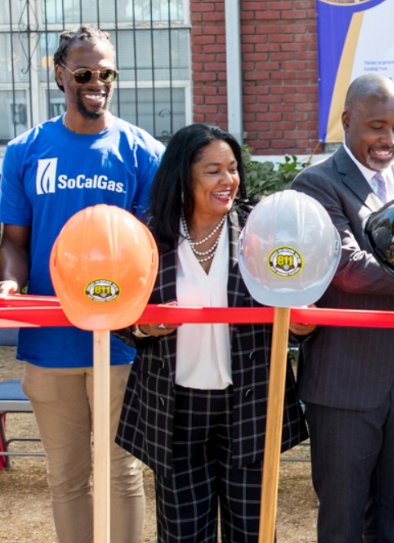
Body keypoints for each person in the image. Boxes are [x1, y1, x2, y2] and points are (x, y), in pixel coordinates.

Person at [0, 26, 163, 543]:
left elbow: (152, 247)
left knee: (122, 471)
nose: (96, 82)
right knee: (66, 477)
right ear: (60, 74)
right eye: (84, 73)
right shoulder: (25, 151)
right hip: (49, 339)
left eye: (106, 73)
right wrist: (11, 285)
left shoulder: (142, 152)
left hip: (120, 339)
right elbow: (15, 241)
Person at [117, 124, 310, 543]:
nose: (228, 181)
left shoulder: (264, 231)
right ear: (183, 176)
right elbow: (120, 312)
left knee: (254, 533)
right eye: (213, 171)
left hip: (249, 405)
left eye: (233, 169)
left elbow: (296, 298)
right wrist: (141, 326)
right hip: (175, 409)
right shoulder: (148, 236)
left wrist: (300, 324)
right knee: (183, 534)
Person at [288, 73, 394, 543]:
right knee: (343, 522)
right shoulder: (316, 184)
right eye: (376, 126)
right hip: (344, 382)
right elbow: (345, 266)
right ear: (347, 121)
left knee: (393, 523)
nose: (389, 139)